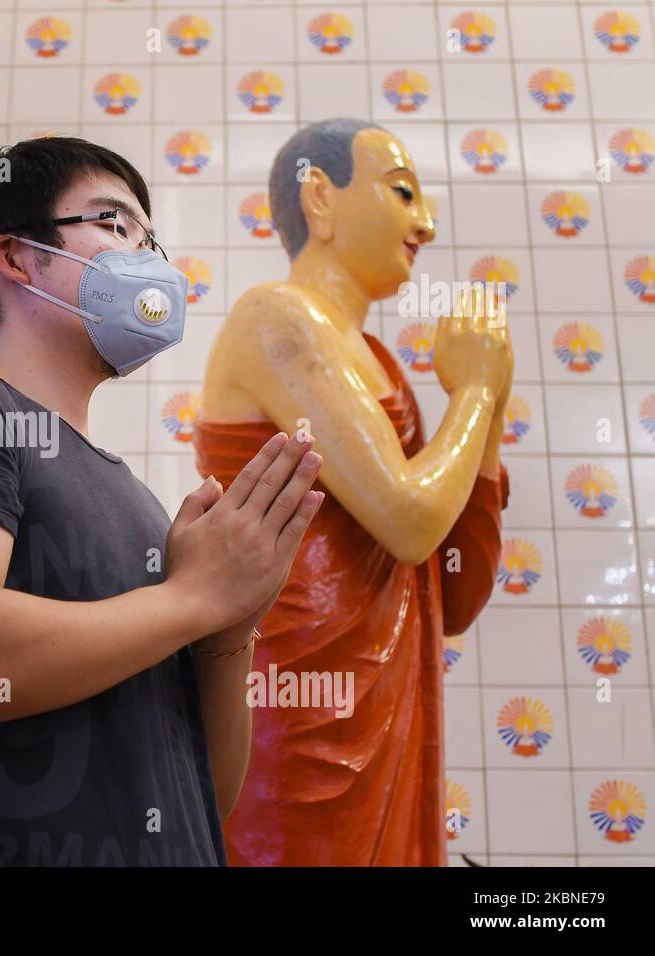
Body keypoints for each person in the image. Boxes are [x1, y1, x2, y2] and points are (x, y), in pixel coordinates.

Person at [0, 136, 325, 866]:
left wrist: (228, 630)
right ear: (15, 257)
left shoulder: (139, 503)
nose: (149, 260)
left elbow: (207, 794)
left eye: (150, 238)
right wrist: (194, 599)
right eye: (114, 223)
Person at [193, 118, 513, 865]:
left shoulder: (378, 363)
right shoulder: (274, 317)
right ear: (320, 198)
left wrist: (488, 404)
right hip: (302, 715)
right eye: (403, 193)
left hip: (393, 711)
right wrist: (470, 396)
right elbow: (406, 518)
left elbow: (452, 595)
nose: (426, 223)